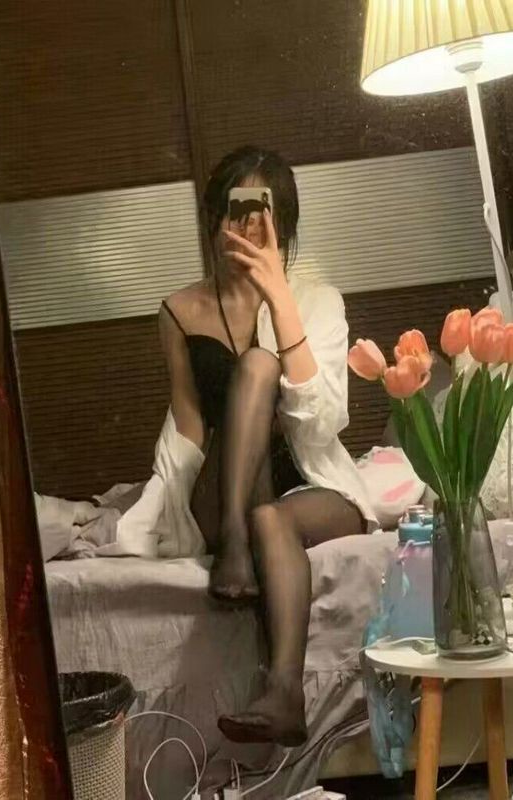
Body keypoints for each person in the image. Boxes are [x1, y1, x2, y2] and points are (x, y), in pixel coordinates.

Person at [159, 145, 376, 747]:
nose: (251, 225)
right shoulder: (179, 310)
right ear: (215, 214)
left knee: (259, 373)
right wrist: (159, 513)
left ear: (285, 224)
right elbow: (187, 428)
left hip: (307, 484)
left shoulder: (318, 301)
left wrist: (279, 298)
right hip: (227, 483)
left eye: (266, 212)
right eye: (240, 207)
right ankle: (231, 536)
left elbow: (325, 422)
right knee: (254, 373)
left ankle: (284, 695)